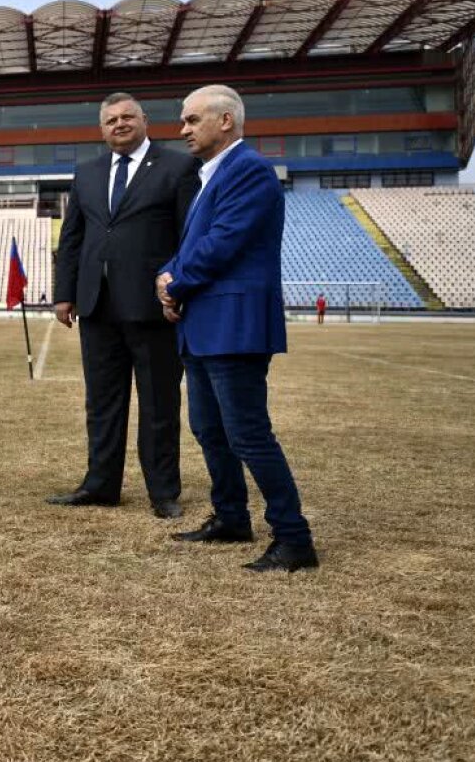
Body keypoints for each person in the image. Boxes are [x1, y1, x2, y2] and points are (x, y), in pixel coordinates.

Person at [157, 84, 318, 573]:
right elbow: (193, 246)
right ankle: (231, 517)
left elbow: (223, 244)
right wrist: (167, 279)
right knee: (209, 429)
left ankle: (293, 538)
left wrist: (177, 283)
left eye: (191, 119)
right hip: (206, 323)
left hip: (234, 324)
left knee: (248, 433)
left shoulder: (248, 170)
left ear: (224, 120)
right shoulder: (214, 175)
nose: (182, 129)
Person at [49, 92, 199, 519]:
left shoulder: (178, 167)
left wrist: (179, 288)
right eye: (111, 119)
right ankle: (100, 485)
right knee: (102, 403)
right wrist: (65, 293)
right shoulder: (87, 173)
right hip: (96, 307)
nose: (119, 124)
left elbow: (188, 235)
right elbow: (73, 237)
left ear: (144, 120)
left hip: (154, 308)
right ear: (102, 128)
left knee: (159, 403)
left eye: (127, 116)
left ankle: (163, 492)